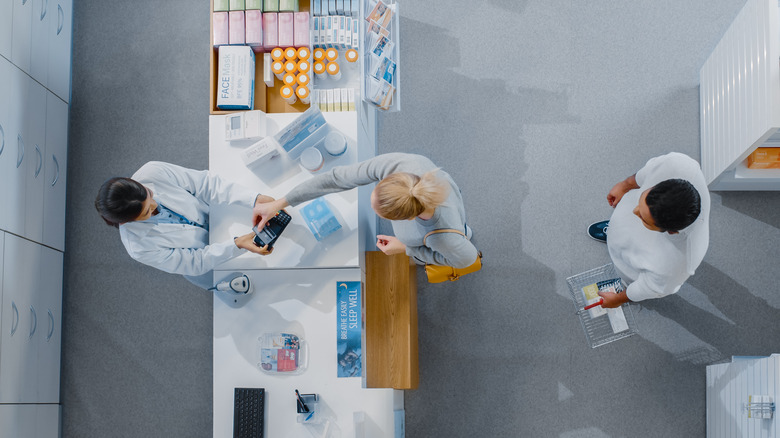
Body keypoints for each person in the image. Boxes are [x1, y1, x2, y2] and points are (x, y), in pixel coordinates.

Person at [252, 153, 479, 268]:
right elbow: (336, 179)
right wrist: (281, 203)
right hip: (446, 198)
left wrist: (407, 248)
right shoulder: (400, 166)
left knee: (461, 236)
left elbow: (466, 261)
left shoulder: (443, 237)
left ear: (406, 218)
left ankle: (465, 231)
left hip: (450, 230)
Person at [95, 161, 273, 289]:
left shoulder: (152, 172)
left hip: (218, 219)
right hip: (206, 260)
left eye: (150, 195)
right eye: (147, 213)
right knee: (250, 288)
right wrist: (237, 245)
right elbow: (195, 262)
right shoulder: (138, 247)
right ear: (128, 222)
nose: (155, 206)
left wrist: (254, 198)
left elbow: (205, 184)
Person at [586, 152, 710, 307]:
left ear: (670, 231)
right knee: (626, 221)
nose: (634, 211)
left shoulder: (673, 266)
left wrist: (617, 299)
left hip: (643, 264)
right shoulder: (677, 165)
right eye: (641, 200)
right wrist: (625, 185)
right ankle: (614, 231)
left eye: (643, 219)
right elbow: (647, 172)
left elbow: (647, 288)